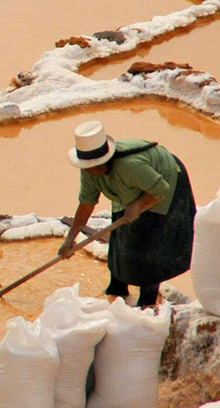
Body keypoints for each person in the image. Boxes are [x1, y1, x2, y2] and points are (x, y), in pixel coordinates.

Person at [58, 120, 196, 308]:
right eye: (89, 167)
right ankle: (117, 288)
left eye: (96, 167)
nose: (92, 172)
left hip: (164, 182)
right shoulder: (89, 170)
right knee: (121, 237)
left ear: (106, 159)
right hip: (130, 187)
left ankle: (146, 301)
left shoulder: (130, 166)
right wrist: (71, 238)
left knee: (150, 244)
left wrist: (138, 205)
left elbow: (160, 189)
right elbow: (86, 203)